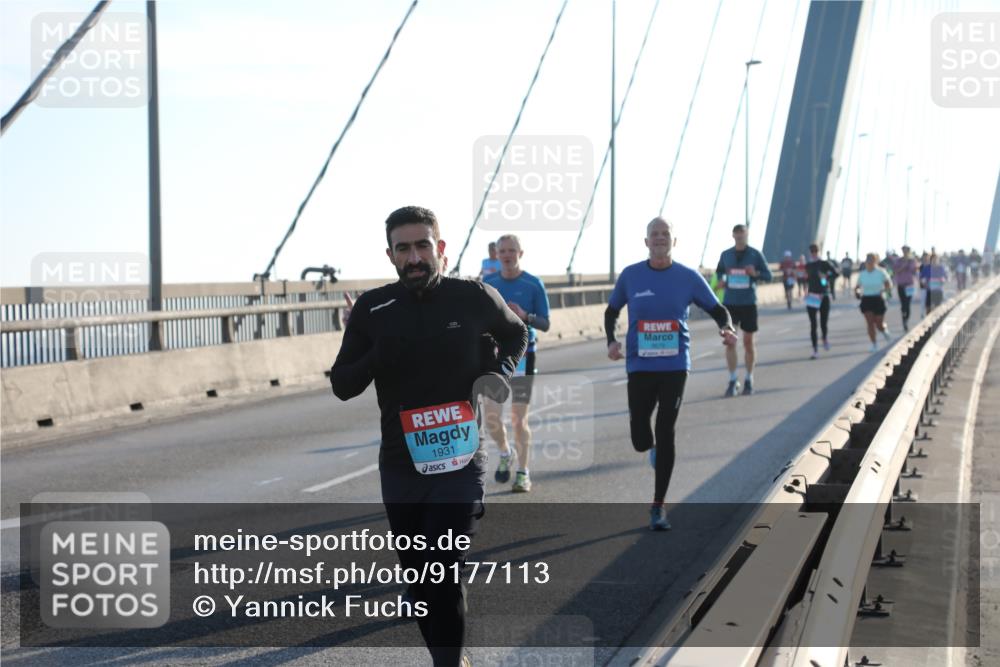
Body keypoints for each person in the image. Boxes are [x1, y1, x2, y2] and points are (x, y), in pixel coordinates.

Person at [330, 206, 528, 667]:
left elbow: (516, 333)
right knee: (420, 582)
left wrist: (499, 372)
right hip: (401, 466)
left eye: (423, 245)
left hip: (460, 461)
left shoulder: (473, 297)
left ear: (441, 248)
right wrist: (378, 353)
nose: (414, 256)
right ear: (390, 255)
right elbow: (343, 385)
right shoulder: (373, 309)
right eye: (404, 248)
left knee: (441, 571)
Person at [606, 217, 737, 530]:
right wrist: (611, 340)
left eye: (666, 234)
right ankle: (649, 449)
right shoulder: (631, 275)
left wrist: (727, 327)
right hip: (639, 365)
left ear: (674, 242)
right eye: (655, 234)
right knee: (640, 435)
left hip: (675, 365)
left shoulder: (688, 277)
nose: (660, 238)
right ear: (646, 241)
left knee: (666, 430)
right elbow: (612, 310)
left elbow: (718, 308)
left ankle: (658, 505)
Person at [482, 234, 551, 493]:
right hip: (496, 357)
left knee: (518, 419)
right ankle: (505, 451)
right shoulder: (488, 284)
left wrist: (525, 316)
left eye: (512, 250)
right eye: (503, 251)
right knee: (491, 418)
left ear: (521, 253)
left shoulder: (533, 284)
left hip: (524, 356)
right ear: (496, 255)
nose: (508, 255)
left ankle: (523, 472)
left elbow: (545, 323)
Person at [715, 224, 772, 396]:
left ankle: (749, 378)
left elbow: (768, 276)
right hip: (730, 304)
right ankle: (733, 379)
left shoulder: (755, 254)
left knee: (748, 342)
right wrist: (722, 281)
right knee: (730, 341)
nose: (739, 237)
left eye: (742, 235)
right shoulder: (726, 255)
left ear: (747, 235)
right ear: (733, 236)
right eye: (737, 235)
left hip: (748, 303)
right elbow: (719, 273)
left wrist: (755, 274)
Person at [805, 244, 839, 359]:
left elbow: (836, 273)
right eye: (812, 251)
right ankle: (815, 350)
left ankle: (824, 337)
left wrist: (826, 277)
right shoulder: (808, 265)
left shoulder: (824, 264)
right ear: (810, 252)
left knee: (823, 322)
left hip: (823, 295)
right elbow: (806, 279)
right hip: (812, 297)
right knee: (813, 324)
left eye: (815, 250)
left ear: (819, 251)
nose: (814, 253)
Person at [854, 252, 893, 352]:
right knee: (870, 323)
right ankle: (874, 343)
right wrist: (857, 292)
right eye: (868, 260)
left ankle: (884, 331)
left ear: (875, 261)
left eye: (871, 260)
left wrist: (884, 291)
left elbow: (888, 284)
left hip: (878, 298)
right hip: (867, 299)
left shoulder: (881, 272)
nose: (869, 262)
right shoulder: (862, 274)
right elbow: (857, 287)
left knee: (878, 323)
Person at [891, 245, 920, 331]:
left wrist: (912, 265)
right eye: (904, 250)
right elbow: (895, 271)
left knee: (908, 304)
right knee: (903, 304)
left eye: (907, 250)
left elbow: (915, 271)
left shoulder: (912, 261)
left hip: (909, 285)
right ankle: (904, 319)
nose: (905, 252)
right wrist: (903, 266)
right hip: (901, 285)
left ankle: (906, 319)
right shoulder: (898, 261)